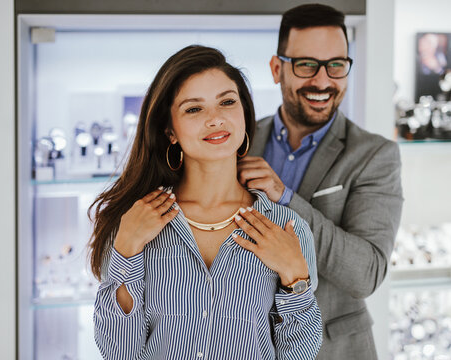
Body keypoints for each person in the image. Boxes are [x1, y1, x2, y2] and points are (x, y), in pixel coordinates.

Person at [89, 45, 322, 359]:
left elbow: (299, 355)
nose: (216, 119)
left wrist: (296, 277)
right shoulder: (136, 224)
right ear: (170, 130)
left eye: (227, 102)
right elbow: (120, 352)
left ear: (244, 113)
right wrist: (126, 249)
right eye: (194, 109)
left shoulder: (287, 229)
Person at [237, 4, 403, 360]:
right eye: (307, 65)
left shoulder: (375, 155)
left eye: (336, 65)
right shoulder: (240, 139)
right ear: (277, 69)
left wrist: (284, 198)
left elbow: (366, 273)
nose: (323, 81)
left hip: (333, 349)